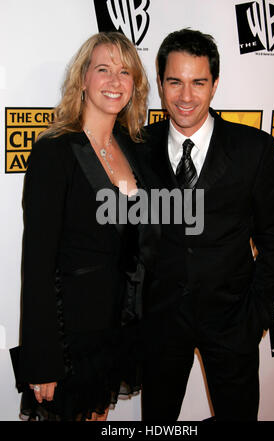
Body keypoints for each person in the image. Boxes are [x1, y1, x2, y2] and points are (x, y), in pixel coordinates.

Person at [137, 28, 274, 421]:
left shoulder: (253, 149)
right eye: (175, 82)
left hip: (232, 323)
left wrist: (257, 313)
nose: (186, 97)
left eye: (198, 83)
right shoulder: (139, 146)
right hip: (160, 324)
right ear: (160, 82)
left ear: (215, 84)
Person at [10, 31, 149, 421]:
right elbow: (37, 263)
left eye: (125, 72)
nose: (114, 81)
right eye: (103, 69)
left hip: (113, 329)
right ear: (83, 78)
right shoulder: (55, 151)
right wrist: (42, 359)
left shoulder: (132, 148)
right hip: (67, 335)